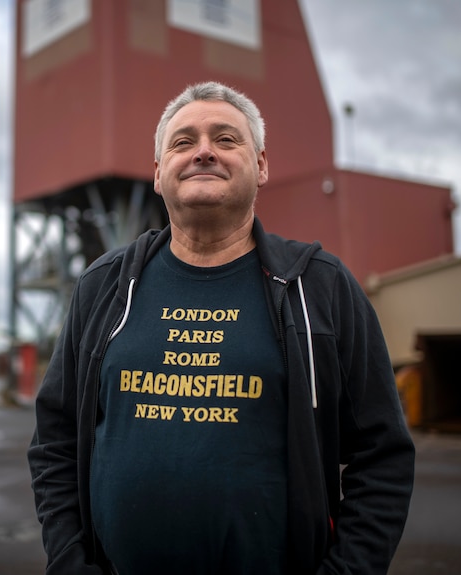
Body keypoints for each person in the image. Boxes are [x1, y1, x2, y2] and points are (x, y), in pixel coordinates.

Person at [27, 81, 414, 574]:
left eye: (227, 140)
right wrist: (68, 563)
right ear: (158, 174)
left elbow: (384, 455)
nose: (203, 152)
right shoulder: (103, 286)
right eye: (183, 142)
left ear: (263, 165)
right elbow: (54, 441)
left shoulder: (320, 286)